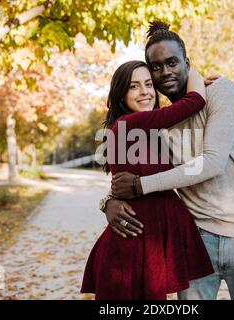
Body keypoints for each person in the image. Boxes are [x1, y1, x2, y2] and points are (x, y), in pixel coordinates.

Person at [103, 21, 234, 300]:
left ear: (187, 62)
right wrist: (108, 201)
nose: (165, 72)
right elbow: (130, 172)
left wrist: (141, 186)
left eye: (172, 62)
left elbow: (211, 162)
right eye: (156, 67)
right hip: (195, 239)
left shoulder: (220, 91)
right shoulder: (158, 122)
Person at [81, 60, 215, 300]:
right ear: (121, 95)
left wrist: (107, 201)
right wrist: (191, 73)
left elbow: (125, 186)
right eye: (134, 86)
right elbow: (195, 102)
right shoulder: (130, 123)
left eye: (148, 84)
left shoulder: (147, 130)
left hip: (145, 240)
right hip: (133, 245)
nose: (144, 92)